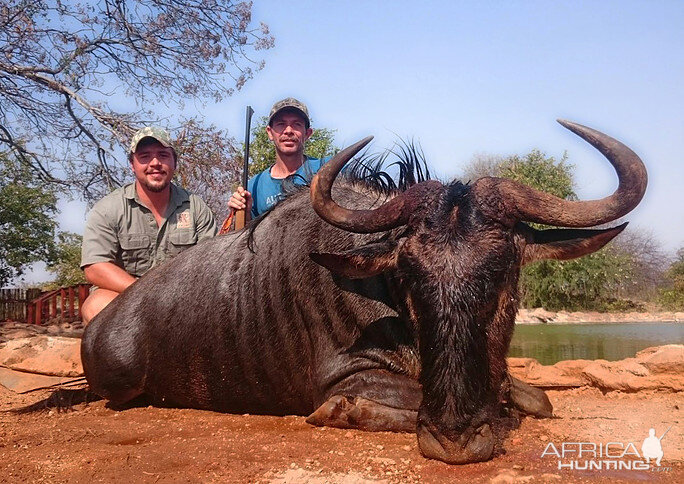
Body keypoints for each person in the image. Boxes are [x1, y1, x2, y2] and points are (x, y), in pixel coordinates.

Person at [80, 126, 217, 324]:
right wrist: (146, 293)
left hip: (182, 301)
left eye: (163, 155)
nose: (155, 163)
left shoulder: (196, 207)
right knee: (96, 305)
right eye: (144, 156)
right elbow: (95, 267)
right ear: (132, 165)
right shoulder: (108, 208)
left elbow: (209, 264)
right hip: (126, 299)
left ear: (174, 163)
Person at [228, 97, 328, 219]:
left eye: (297, 124)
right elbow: (247, 234)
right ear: (270, 132)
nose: (289, 131)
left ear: (308, 133)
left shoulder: (328, 169)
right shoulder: (253, 186)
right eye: (281, 124)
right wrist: (242, 213)